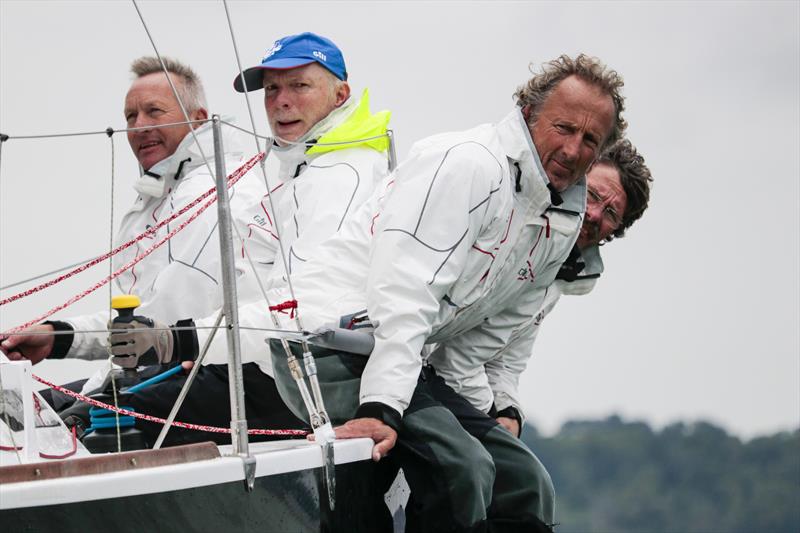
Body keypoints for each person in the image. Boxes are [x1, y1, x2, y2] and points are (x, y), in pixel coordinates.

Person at [112, 53, 626, 531]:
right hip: (336, 348)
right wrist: (383, 409)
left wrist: (489, 415)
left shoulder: (554, 219)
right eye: (563, 128)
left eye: (589, 139)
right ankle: (100, 403)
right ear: (529, 113)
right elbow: (403, 300)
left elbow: (483, 343)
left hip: (390, 359)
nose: (573, 149)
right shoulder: (468, 165)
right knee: (461, 467)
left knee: (525, 482)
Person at [107, 32, 394, 446]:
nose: (281, 101)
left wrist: (178, 342)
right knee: (107, 404)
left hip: (314, 385)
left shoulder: (341, 176)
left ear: (339, 94)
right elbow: (244, 293)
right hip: (266, 364)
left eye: (299, 85)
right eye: (272, 88)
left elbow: (307, 308)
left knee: (111, 416)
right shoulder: (290, 171)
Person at [1, 57, 264, 384]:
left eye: (154, 111)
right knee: (35, 413)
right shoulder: (157, 197)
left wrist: (99, 384)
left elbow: (169, 319)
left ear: (197, 120)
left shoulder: (212, 191)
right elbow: (138, 322)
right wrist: (58, 336)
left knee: (53, 418)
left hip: (210, 374)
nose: (139, 126)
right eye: (131, 116)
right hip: (165, 370)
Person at [446, 137, 654, 440]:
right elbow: (453, 355)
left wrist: (509, 413)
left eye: (610, 213)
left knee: (519, 473)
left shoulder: (561, 274)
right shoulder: (517, 232)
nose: (595, 214)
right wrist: (491, 416)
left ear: (616, 230)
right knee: (519, 476)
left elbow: (505, 361)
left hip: (457, 391)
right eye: (592, 194)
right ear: (572, 183)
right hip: (418, 375)